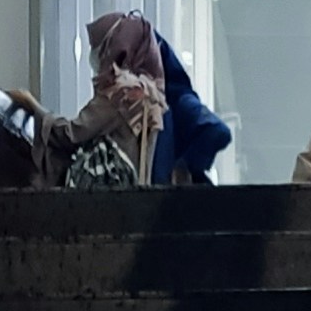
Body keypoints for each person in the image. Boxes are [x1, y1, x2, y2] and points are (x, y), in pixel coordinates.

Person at [12, 11, 231, 188]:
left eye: (98, 49)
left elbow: (70, 135)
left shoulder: (121, 93)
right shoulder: (155, 97)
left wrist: (32, 106)